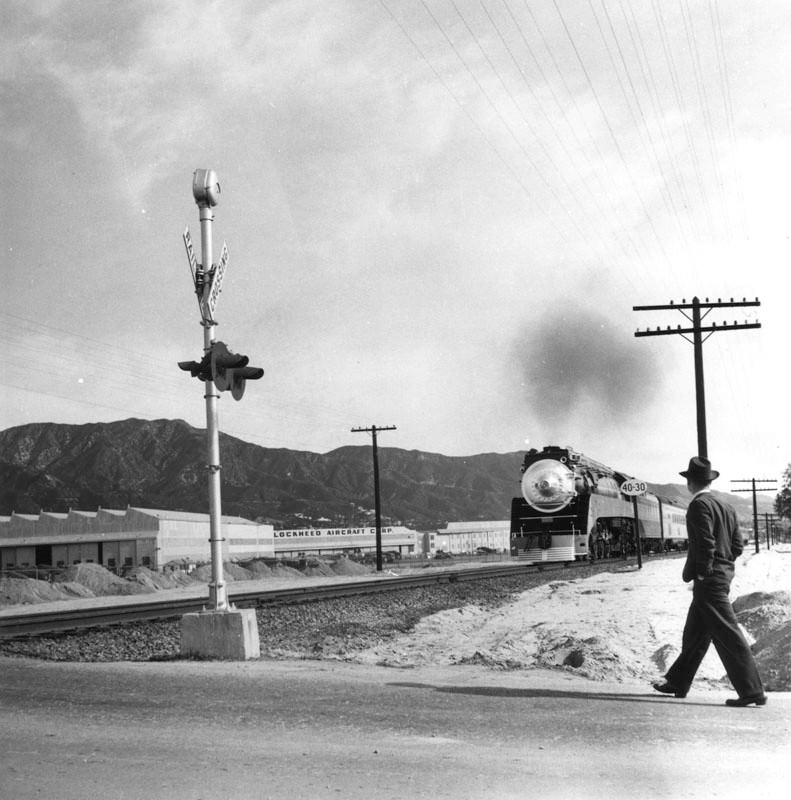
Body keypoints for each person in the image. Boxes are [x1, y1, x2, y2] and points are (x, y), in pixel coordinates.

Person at [652, 456, 767, 707]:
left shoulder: (698, 506)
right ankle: (677, 682)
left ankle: (751, 691)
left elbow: (705, 543)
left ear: (690, 483)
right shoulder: (727, 506)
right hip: (722, 575)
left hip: (709, 578)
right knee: (695, 633)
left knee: (728, 631)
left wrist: (704, 571)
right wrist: (724, 565)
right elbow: (737, 545)